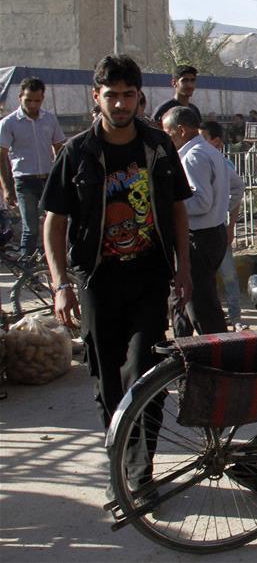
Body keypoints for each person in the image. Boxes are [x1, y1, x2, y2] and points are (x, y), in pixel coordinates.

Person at [41, 55, 192, 490]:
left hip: (149, 277)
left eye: (128, 95)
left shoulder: (157, 146)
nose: (121, 104)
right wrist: (60, 284)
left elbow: (177, 210)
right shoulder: (77, 152)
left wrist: (184, 270)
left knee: (146, 373)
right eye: (112, 95)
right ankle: (119, 465)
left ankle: (141, 473)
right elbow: (54, 222)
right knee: (107, 380)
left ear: (140, 97)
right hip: (97, 280)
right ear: (97, 96)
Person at [162, 106, 230, 336]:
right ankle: (183, 346)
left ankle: (218, 351)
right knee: (182, 301)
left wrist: (170, 206)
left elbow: (201, 202)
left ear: (181, 130)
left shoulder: (193, 157)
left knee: (202, 307)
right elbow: (236, 186)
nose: (167, 138)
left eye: (168, 132)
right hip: (212, 233)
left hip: (199, 239)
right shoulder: (209, 151)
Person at [0, 77, 66, 258]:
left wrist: (62, 178)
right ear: (20, 97)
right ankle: (27, 268)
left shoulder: (49, 119)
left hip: (48, 179)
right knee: (31, 228)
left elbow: (60, 149)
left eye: (37, 100)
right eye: (28, 100)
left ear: (42, 98)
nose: (33, 104)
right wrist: (7, 188)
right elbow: (1, 157)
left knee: (55, 223)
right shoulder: (9, 123)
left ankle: (51, 263)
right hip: (24, 181)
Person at [199, 120, 247, 330]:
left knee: (229, 275)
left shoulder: (224, 165)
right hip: (203, 229)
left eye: (203, 138)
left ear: (216, 142)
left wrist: (231, 226)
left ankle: (235, 316)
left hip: (220, 225)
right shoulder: (196, 161)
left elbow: (237, 194)